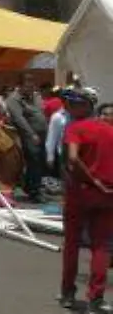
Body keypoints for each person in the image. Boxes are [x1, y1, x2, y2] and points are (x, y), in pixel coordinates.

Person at [59, 89, 113, 311]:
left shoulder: (75, 128)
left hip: (81, 192)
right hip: (107, 193)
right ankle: (96, 297)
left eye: (75, 102)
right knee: (100, 246)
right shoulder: (109, 131)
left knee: (72, 244)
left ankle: (68, 293)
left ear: (88, 106)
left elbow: (72, 158)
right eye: (70, 102)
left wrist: (91, 180)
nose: (70, 106)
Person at [6, 82, 49, 203]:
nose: (32, 89)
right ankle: (34, 192)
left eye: (33, 87)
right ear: (21, 86)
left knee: (39, 162)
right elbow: (19, 119)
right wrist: (32, 134)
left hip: (41, 134)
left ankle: (32, 188)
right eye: (29, 87)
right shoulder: (14, 99)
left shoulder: (34, 97)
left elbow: (41, 111)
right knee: (34, 161)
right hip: (28, 135)